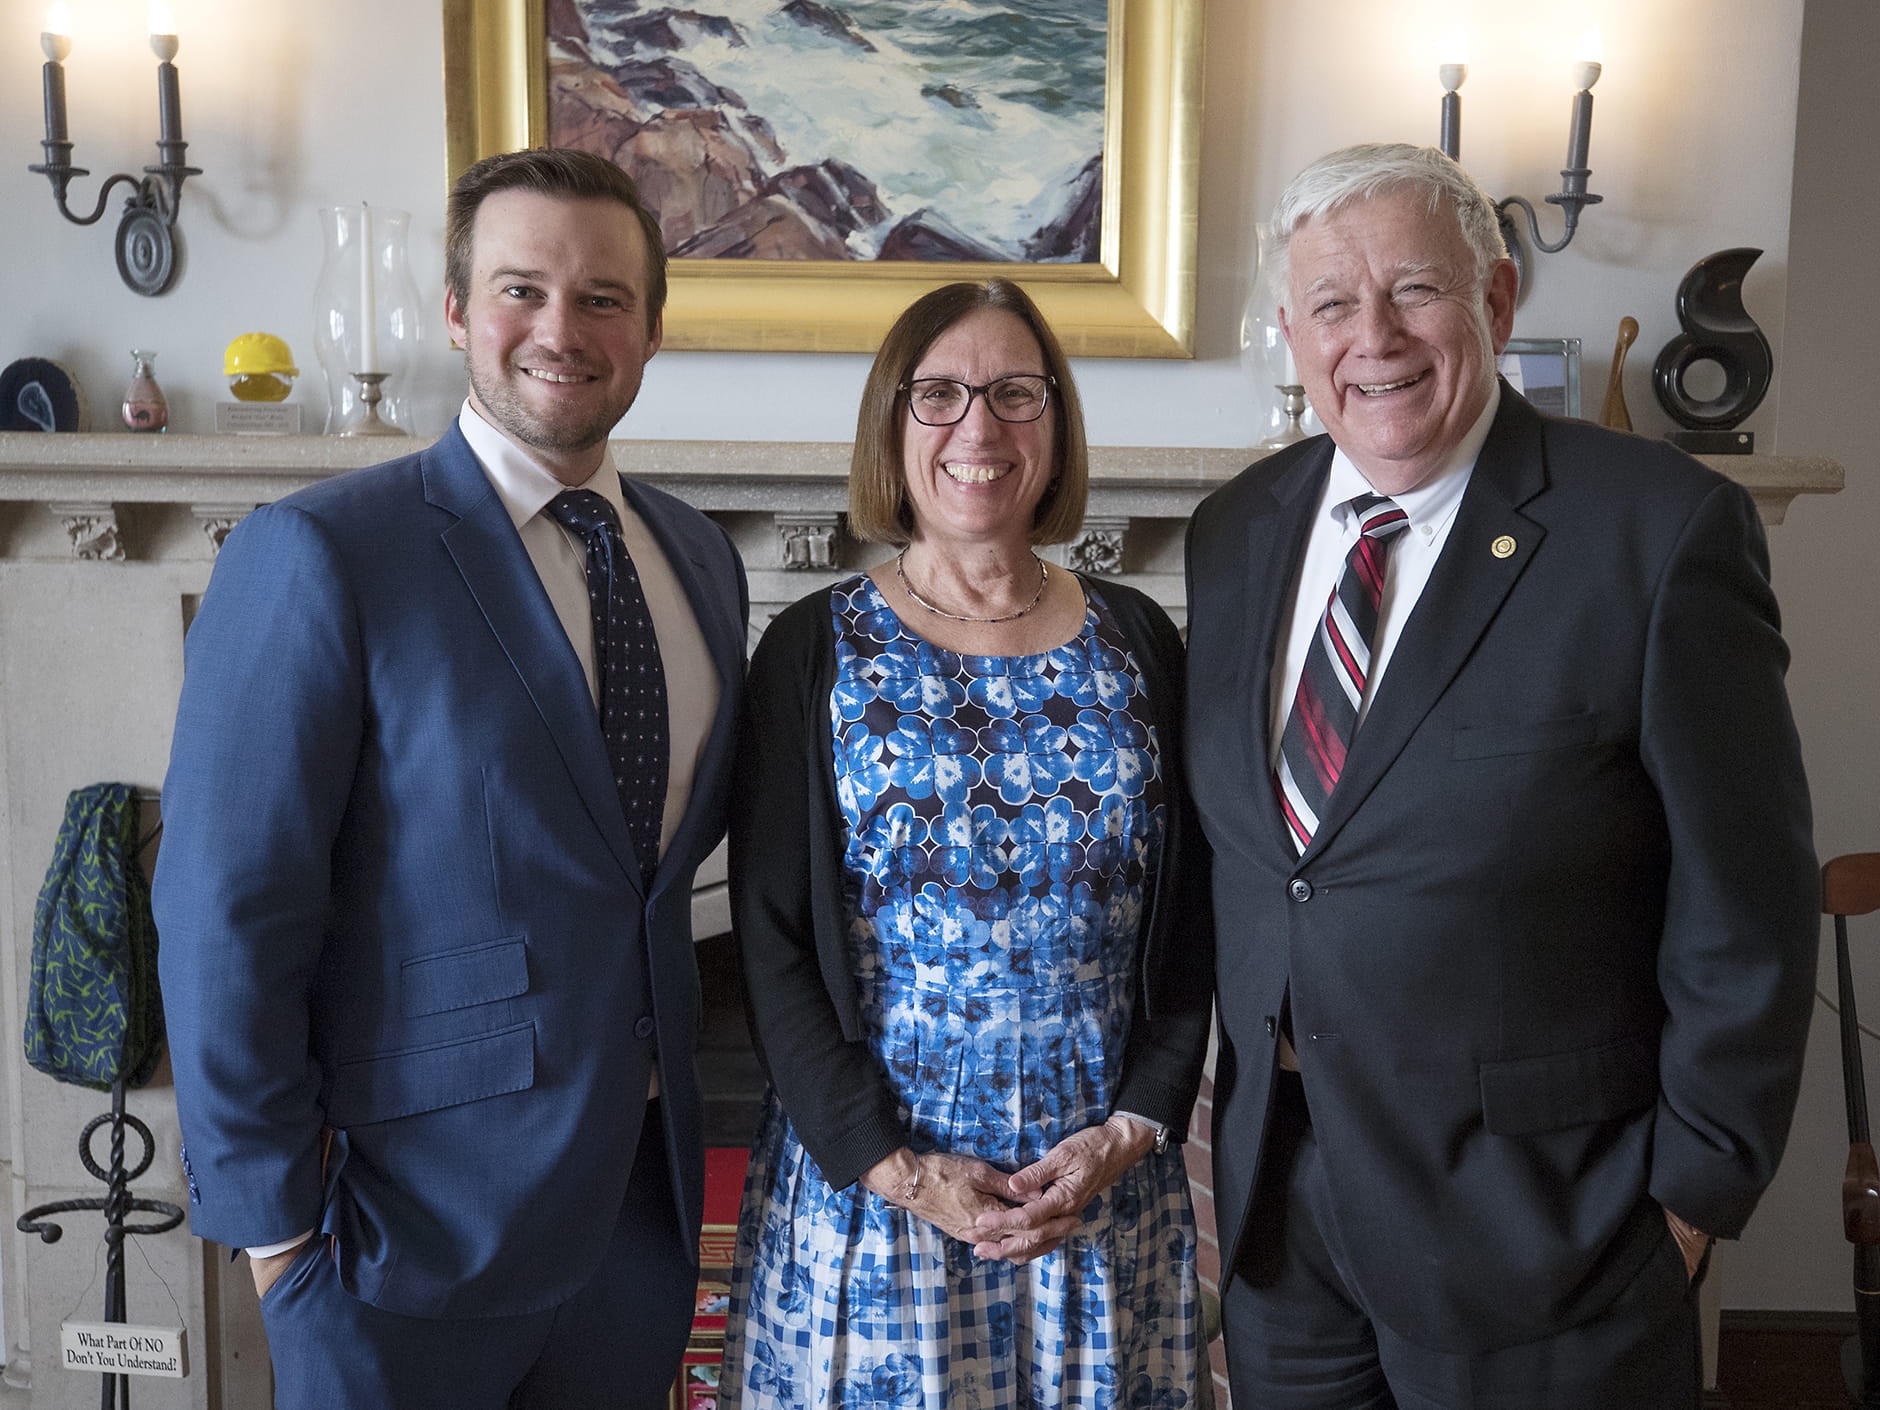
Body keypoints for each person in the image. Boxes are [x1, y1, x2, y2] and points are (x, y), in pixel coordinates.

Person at [1184, 141, 1817, 1409]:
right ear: (1290, 335)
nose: (1372, 336)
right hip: (1281, 1230)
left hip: (1546, 1234)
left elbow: (1745, 900)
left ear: (1495, 301)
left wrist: (1689, 1202)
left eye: (1413, 290)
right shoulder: (1238, 528)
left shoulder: (1655, 529)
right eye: (1329, 304)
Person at [154, 148, 749, 1410]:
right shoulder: (320, 553)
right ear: (456, 310)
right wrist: (278, 1238)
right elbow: (225, 910)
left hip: (638, 1224)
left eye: (601, 298)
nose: (560, 329)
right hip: (394, 1243)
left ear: (650, 328)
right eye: (520, 288)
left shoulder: (698, 561)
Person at [718, 278, 1212, 1408]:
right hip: (883, 1186)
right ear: (892, 427)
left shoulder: (1138, 638)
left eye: (1012, 393)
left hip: (1093, 1192)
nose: (977, 428)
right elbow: (771, 940)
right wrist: (895, 1168)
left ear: (1055, 423)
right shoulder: (812, 649)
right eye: (936, 394)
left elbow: (1192, 914)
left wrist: (1135, 1127)